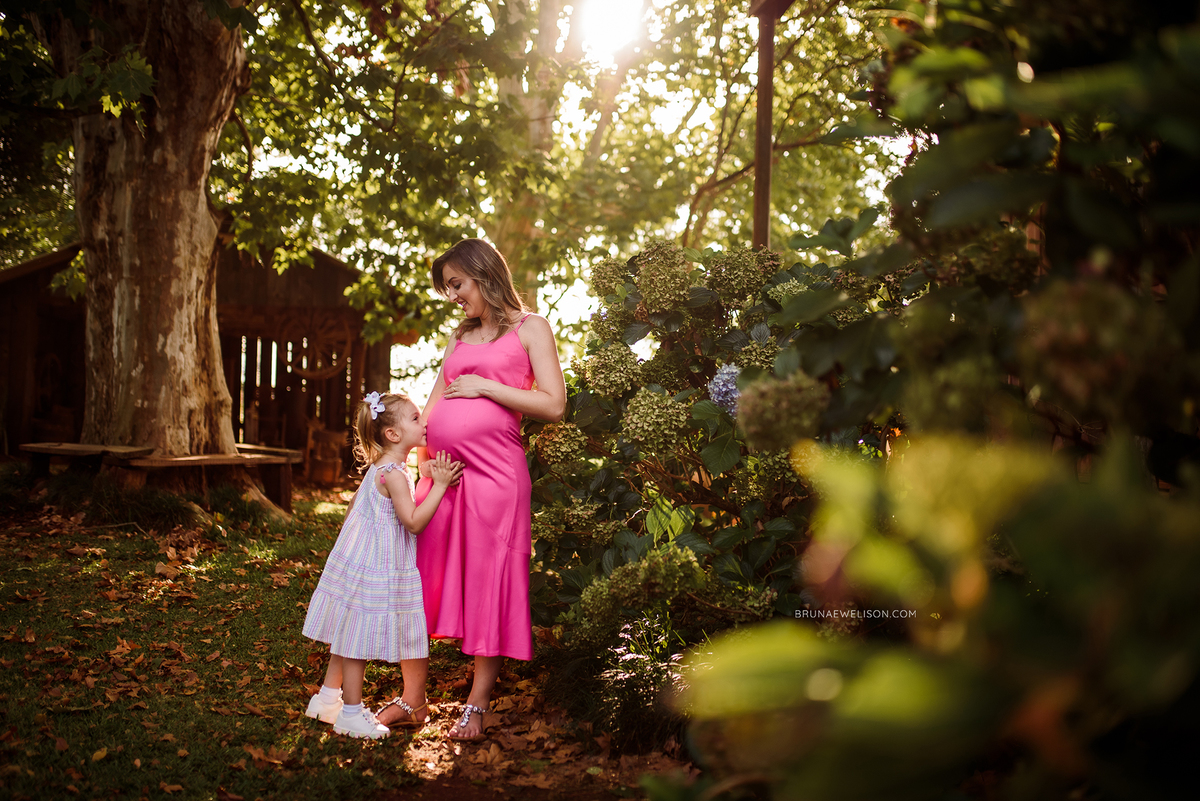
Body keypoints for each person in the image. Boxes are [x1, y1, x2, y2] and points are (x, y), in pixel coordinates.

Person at [376, 238, 565, 741]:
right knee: (418, 580)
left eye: (457, 284)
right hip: (441, 478)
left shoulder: (531, 328)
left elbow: (552, 403)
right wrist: (418, 469)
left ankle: (476, 706)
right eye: (447, 289)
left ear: (484, 273)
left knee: (489, 581)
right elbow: (433, 409)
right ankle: (411, 699)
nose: (453, 296)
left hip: (496, 479)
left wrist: (486, 387)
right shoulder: (459, 338)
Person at [301, 391, 464, 739]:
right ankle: (351, 713)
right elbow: (414, 521)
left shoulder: (381, 467)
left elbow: (352, 512)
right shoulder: (394, 474)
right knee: (357, 640)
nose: (425, 423)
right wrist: (440, 485)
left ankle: (327, 698)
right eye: (416, 418)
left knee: (347, 630)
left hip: (358, 559)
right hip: (376, 565)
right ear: (392, 434)